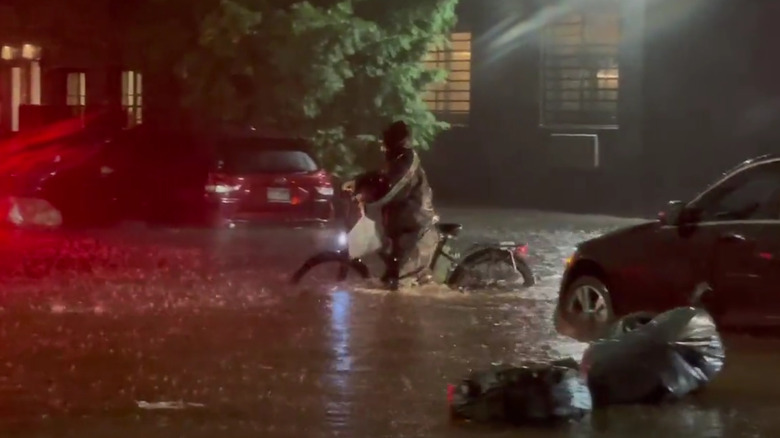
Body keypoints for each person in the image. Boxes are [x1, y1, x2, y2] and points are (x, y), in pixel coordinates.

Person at [344, 121, 439, 290]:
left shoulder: (407, 160)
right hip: (399, 229)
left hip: (415, 229)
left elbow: (392, 187)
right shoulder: (397, 160)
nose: (382, 145)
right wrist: (359, 182)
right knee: (389, 279)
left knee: (399, 288)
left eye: (385, 141)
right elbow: (381, 177)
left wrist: (366, 197)